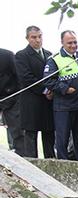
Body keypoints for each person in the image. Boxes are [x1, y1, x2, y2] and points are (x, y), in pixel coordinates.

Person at [44, 30, 78, 161]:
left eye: (75, 42)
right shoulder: (54, 59)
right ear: (62, 43)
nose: (73, 45)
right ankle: (63, 165)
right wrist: (65, 89)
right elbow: (48, 80)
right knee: (62, 139)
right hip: (63, 107)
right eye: (69, 43)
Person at [14, 26, 55, 158]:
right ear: (27, 38)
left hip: (48, 102)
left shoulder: (49, 54)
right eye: (34, 37)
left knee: (49, 134)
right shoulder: (21, 55)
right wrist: (44, 90)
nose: (37, 40)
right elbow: (26, 78)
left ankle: (50, 162)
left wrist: (52, 90)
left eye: (40, 36)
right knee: (31, 135)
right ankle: (32, 163)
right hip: (31, 102)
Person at [0, 48, 24, 156]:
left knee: (17, 130)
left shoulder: (7, 55)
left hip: (11, 96)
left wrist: (15, 93)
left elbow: (18, 76)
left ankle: (22, 157)